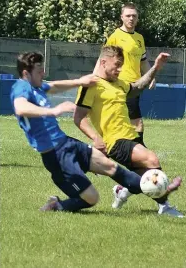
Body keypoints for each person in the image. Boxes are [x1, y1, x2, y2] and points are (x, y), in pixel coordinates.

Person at [10, 51, 149, 213]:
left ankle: (156, 188)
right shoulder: (21, 87)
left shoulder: (37, 86)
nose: (43, 73)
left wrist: (79, 81)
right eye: (39, 70)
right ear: (26, 73)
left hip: (67, 143)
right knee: (91, 198)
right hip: (55, 156)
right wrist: (53, 111)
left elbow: (54, 86)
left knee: (110, 166)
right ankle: (56, 205)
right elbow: (20, 107)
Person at [74, 45, 183, 217]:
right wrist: (96, 138)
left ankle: (122, 191)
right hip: (115, 142)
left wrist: (155, 67)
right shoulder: (91, 84)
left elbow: (139, 85)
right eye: (116, 65)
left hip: (131, 136)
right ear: (103, 62)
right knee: (151, 159)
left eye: (121, 65)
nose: (119, 69)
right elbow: (78, 117)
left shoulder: (119, 84)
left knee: (141, 179)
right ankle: (165, 205)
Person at [100, 2, 155, 145]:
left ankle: (110, 146)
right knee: (137, 122)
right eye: (128, 15)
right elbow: (104, 60)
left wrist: (151, 76)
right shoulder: (115, 37)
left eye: (134, 16)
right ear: (122, 18)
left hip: (136, 85)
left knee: (123, 120)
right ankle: (139, 149)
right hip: (121, 84)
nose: (131, 18)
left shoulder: (139, 38)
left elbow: (143, 61)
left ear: (137, 18)